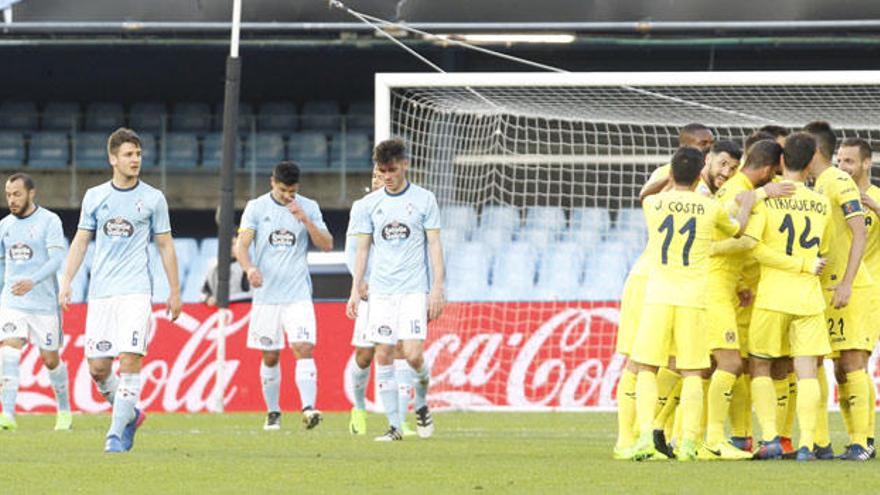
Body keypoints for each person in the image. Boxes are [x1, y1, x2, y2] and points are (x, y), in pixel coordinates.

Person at [59, 127, 182, 453]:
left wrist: (174, 290)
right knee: (98, 369)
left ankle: (114, 434)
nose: (135, 160)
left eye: (138, 154)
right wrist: (67, 280)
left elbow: (166, 246)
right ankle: (130, 415)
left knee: (129, 359)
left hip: (136, 292)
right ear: (113, 158)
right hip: (101, 293)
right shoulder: (95, 196)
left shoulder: (154, 198)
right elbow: (81, 241)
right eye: (128, 154)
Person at [629, 146, 754, 461]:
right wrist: (748, 205)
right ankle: (688, 444)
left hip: (658, 296)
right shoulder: (709, 207)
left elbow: (645, 193)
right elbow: (738, 228)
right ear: (701, 171)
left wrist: (667, 178)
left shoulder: (654, 203)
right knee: (693, 371)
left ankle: (644, 437)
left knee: (646, 367)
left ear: (672, 172)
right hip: (694, 299)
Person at [346, 138, 445, 442]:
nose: (387, 176)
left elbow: (434, 245)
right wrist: (354, 289)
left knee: (413, 355)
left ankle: (423, 401)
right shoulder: (367, 205)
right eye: (382, 171)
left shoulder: (425, 199)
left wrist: (437, 288)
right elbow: (361, 250)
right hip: (382, 293)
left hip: (414, 290)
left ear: (405, 165)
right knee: (383, 353)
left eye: (391, 170)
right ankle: (394, 426)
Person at [746, 132, 832, 461]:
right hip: (809, 298)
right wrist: (806, 265)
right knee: (807, 370)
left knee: (761, 366)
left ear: (781, 161)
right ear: (811, 163)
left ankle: (769, 438)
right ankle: (807, 444)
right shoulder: (822, 203)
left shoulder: (766, 198)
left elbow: (755, 249)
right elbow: (820, 252)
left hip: (772, 296)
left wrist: (796, 264)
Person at [236, 161, 333, 431]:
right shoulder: (256, 207)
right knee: (270, 356)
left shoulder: (309, 206)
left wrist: (306, 220)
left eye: (291, 191)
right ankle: (273, 411)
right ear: (272, 183)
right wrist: (249, 268)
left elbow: (327, 245)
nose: (287, 196)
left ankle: (309, 408)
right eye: (282, 190)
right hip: (267, 295)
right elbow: (241, 245)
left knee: (303, 347)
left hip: (298, 293)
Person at [805, 121, 874, 460]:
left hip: (850, 286)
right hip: (820, 287)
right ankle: (821, 442)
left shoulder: (838, 181)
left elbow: (858, 232)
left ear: (814, 151)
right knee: (825, 363)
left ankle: (862, 442)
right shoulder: (815, 185)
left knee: (852, 361)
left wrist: (846, 281)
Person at [0, 173, 71, 431]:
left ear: (31, 193)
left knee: (50, 359)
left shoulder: (49, 221)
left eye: (17, 194)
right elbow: (2, 262)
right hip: (12, 303)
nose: (12, 200)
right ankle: (7, 415)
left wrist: (33, 280)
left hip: (43, 304)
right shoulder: (4, 225)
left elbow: (56, 260)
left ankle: (64, 411)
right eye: (8, 195)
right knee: (8, 350)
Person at [836, 136, 880, 457]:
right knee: (841, 366)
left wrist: (873, 205)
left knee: (856, 361)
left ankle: (863, 440)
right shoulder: (836, 193)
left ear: (867, 163)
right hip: (841, 288)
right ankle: (856, 438)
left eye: (849, 161)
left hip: (871, 289)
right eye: (840, 161)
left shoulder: (875, 197)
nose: (843, 167)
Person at [202, 233, 251, 306]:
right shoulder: (213, 267)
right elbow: (204, 292)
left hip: (241, 311)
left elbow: (251, 295)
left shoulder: (249, 268)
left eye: (234, 244)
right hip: (217, 311)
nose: (230, 247)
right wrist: (208, 298)